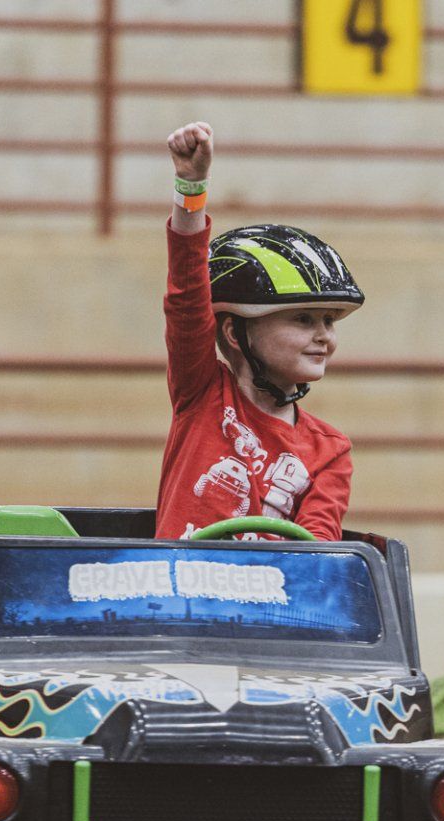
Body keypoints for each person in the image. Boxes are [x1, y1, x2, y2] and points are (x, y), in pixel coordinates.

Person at [155, 121, 361, 541]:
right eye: (303, 320)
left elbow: (320, 551)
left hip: (263, 605)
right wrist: (191, 186)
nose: (323, 335)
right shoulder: (203, 393)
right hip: (176, 599)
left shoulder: (330, 450)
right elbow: (187, 298)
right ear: (234, 334)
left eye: (328, 321)